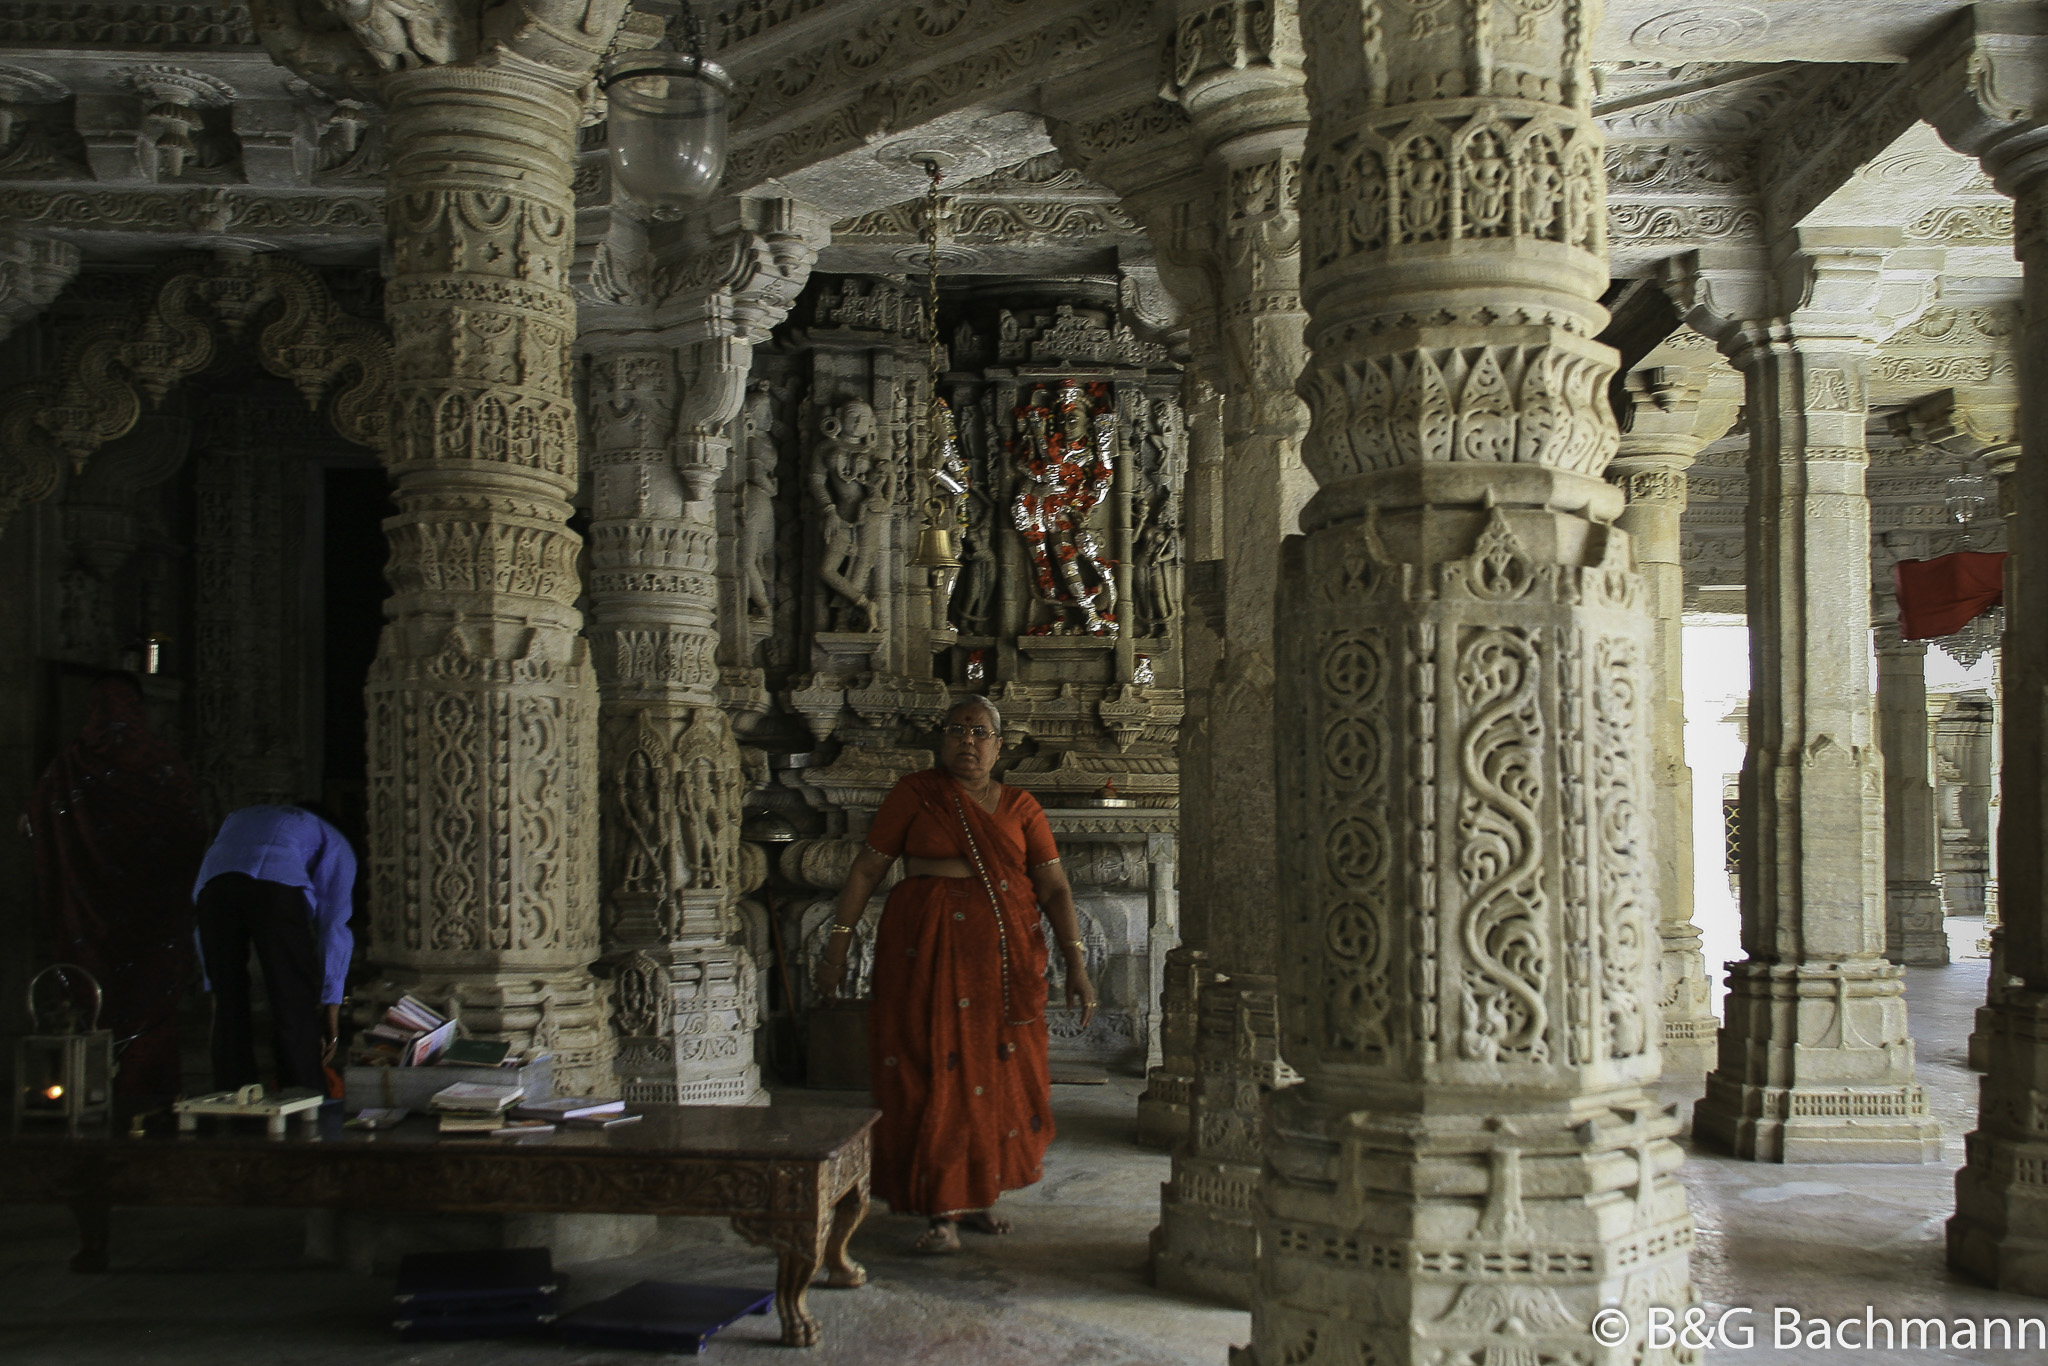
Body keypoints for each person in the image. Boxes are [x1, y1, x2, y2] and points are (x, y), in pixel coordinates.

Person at [816, 696, 1095, 1253]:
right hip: (924, 951)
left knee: (996, 1070)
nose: (968, 740)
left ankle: (977, 1197)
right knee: (928, 1065)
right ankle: (937, 1209)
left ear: (999, 745)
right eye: (957, 730)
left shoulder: (1020, 806)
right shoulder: (915, 795)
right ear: (941, 741)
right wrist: (837, 946)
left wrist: (1077, 962)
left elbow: (1055, 888)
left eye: (980, 732)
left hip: (999, 958)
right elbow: (869, 867)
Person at [24, 675, 209, 1100]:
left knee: (98, 998)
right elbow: (192, 829)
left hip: (89, 915)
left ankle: (90, 1090)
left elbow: (35, 822)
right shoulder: (159, 763)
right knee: (148, 1000)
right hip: (152, 914)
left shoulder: (69, 765)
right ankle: (148, 1095)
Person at [192, 803, 356, 1094]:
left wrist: (216, 989)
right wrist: (332, 1008)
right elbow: (333, 928)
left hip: (214, 891)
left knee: (229, 1009)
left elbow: (200, 908)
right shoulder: (334, 839)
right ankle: (302, 1101)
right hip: (275, 890)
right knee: (293, 999)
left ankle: (233, 1102)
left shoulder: (238, 817)